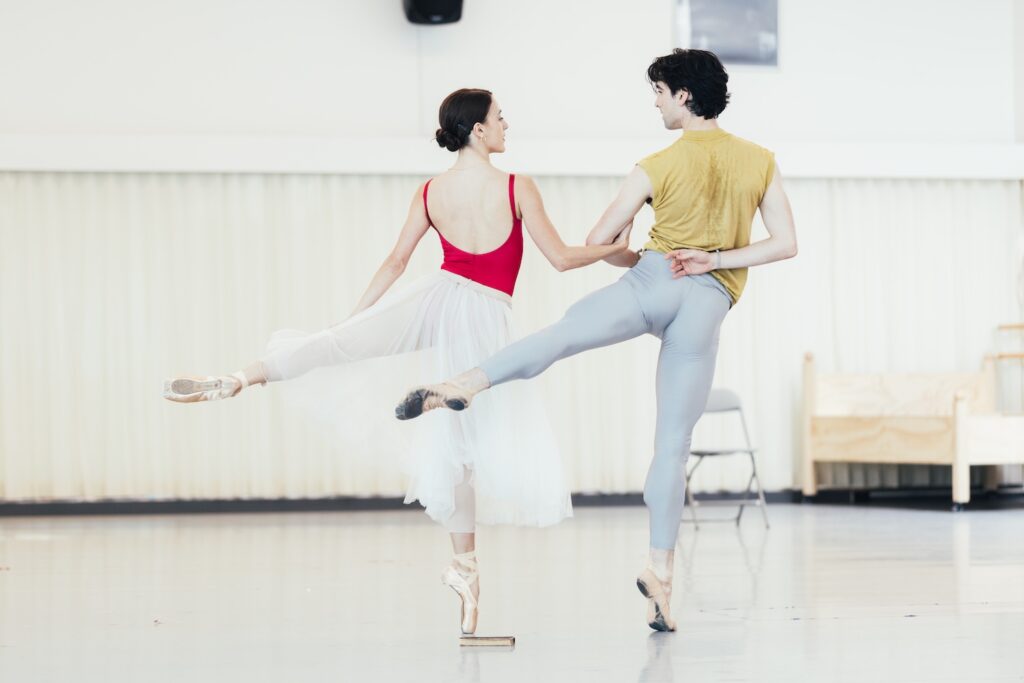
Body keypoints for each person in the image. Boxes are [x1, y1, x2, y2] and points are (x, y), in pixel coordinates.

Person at [163, 88, 632, 634]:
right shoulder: (516, 186)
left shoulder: (431, 191)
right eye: (500, 118)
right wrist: (620, 251)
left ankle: (239, 377)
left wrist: (352, 324)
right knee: (461, 445)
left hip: (435, 299)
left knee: (334, 347)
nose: (507, 125)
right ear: (479, 130)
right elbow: (563, 258)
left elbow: (395, 262)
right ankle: (465, 571)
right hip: (482, 318)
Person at [395, 50, 798, 632]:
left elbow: (602, 239)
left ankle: (466, 382)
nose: (656, 103)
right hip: (708, 301)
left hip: (651, 282)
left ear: (684, 95)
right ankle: (660, 576)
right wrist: (714, 259)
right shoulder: (760, 161)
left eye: (659, 92)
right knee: (672, 446)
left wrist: (631, 249)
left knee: (560, 336)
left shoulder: (656, 164)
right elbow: (784, 244)